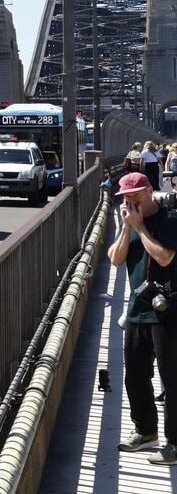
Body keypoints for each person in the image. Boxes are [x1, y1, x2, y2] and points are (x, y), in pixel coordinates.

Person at [110, 172, 177, 464]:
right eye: (126, 196)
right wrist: (127, 228)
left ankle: (174, 442)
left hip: (167, 312)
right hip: (138, 309)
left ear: (150, 191)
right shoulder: (130, 222)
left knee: (172, 380)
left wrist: (141, 228)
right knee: (135, 376)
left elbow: (164, 257)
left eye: (136, 194)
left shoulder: (171, 220)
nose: (131, 200)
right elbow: (115, 258)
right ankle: (146, 432)